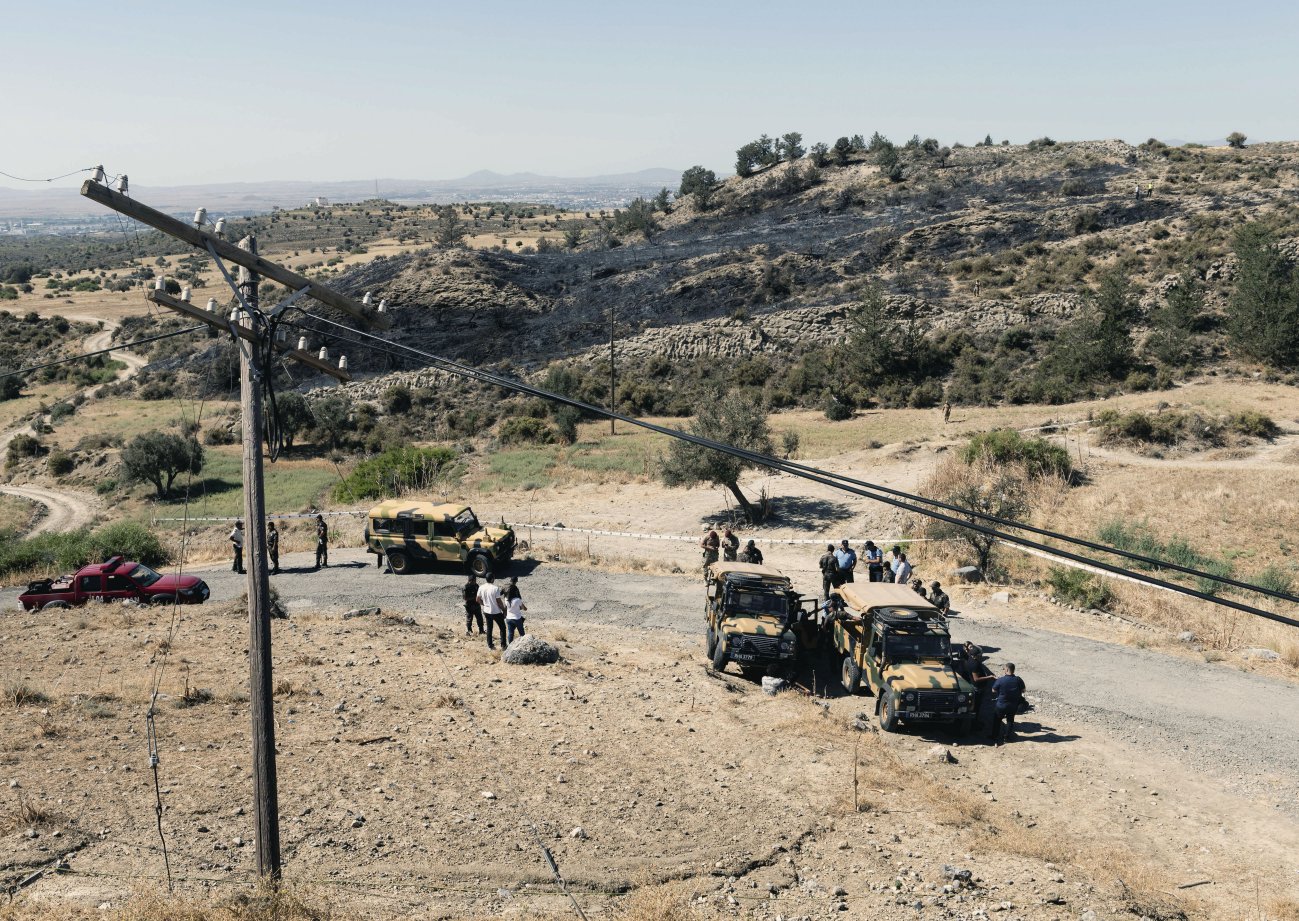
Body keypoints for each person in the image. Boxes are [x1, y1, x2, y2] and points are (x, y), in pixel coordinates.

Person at [989, 662, 1027, 745]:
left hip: (1001, 705)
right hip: (1013, 705)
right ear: (1013, 670)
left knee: (997, 720)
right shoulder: (1018, 679)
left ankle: (994, 736)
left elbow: (993, 690)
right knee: (1010, 720)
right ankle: (1007, 737)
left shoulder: (1001, 680)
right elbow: (1023, 690)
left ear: (1006, 669)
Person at [476, 574, 507, 650]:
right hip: (495, 611)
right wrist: (504, 610)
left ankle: (490, 645)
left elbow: (477, 599)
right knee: (502, 628)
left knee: (489, 628)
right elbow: (499, 602)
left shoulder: (481, 587)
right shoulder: (495, 588)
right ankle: (503, 645)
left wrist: (484, 604)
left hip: (486, 611)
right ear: (493, 579)